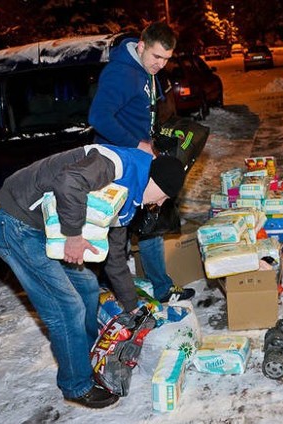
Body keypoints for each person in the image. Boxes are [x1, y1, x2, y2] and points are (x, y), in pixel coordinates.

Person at [0, 144, 185, 408]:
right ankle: (76, 385)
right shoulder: (116, 165)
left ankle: (86, 354)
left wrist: (133, 308)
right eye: (163, 196)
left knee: (88, 286)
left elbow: (115, 258)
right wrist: (74, 236)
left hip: (39, 227)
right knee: (67, 308)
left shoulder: (129, 195)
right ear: (154, 181)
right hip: (14, 221)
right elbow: (69, 182)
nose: (160, 203)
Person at [89, 21, 193, 304]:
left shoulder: (146, 70)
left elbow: (145, 111)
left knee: (150, 221)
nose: (160, 64)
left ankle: (161, 288)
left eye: (166, 59)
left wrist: (152, 142)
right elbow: (98, 117)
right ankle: (114, 295)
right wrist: (136, 143)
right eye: (156, 57)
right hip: (116, 163)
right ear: (141, 46)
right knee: (117, 232)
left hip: (137, 157)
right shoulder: (122, 73)